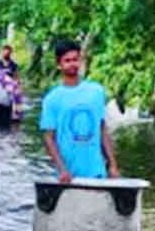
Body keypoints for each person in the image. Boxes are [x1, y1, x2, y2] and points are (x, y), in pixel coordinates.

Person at [40, 40, 119, 183]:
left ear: (80, 61)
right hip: (68, 177)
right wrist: (62, 170)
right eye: (67, 60)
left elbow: (102, 130)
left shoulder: (96, 92)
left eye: (75, 59)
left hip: (97, 172)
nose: (72, 64)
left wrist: (112, 165)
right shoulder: (52, 99)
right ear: (59, 64)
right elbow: (49, 138)